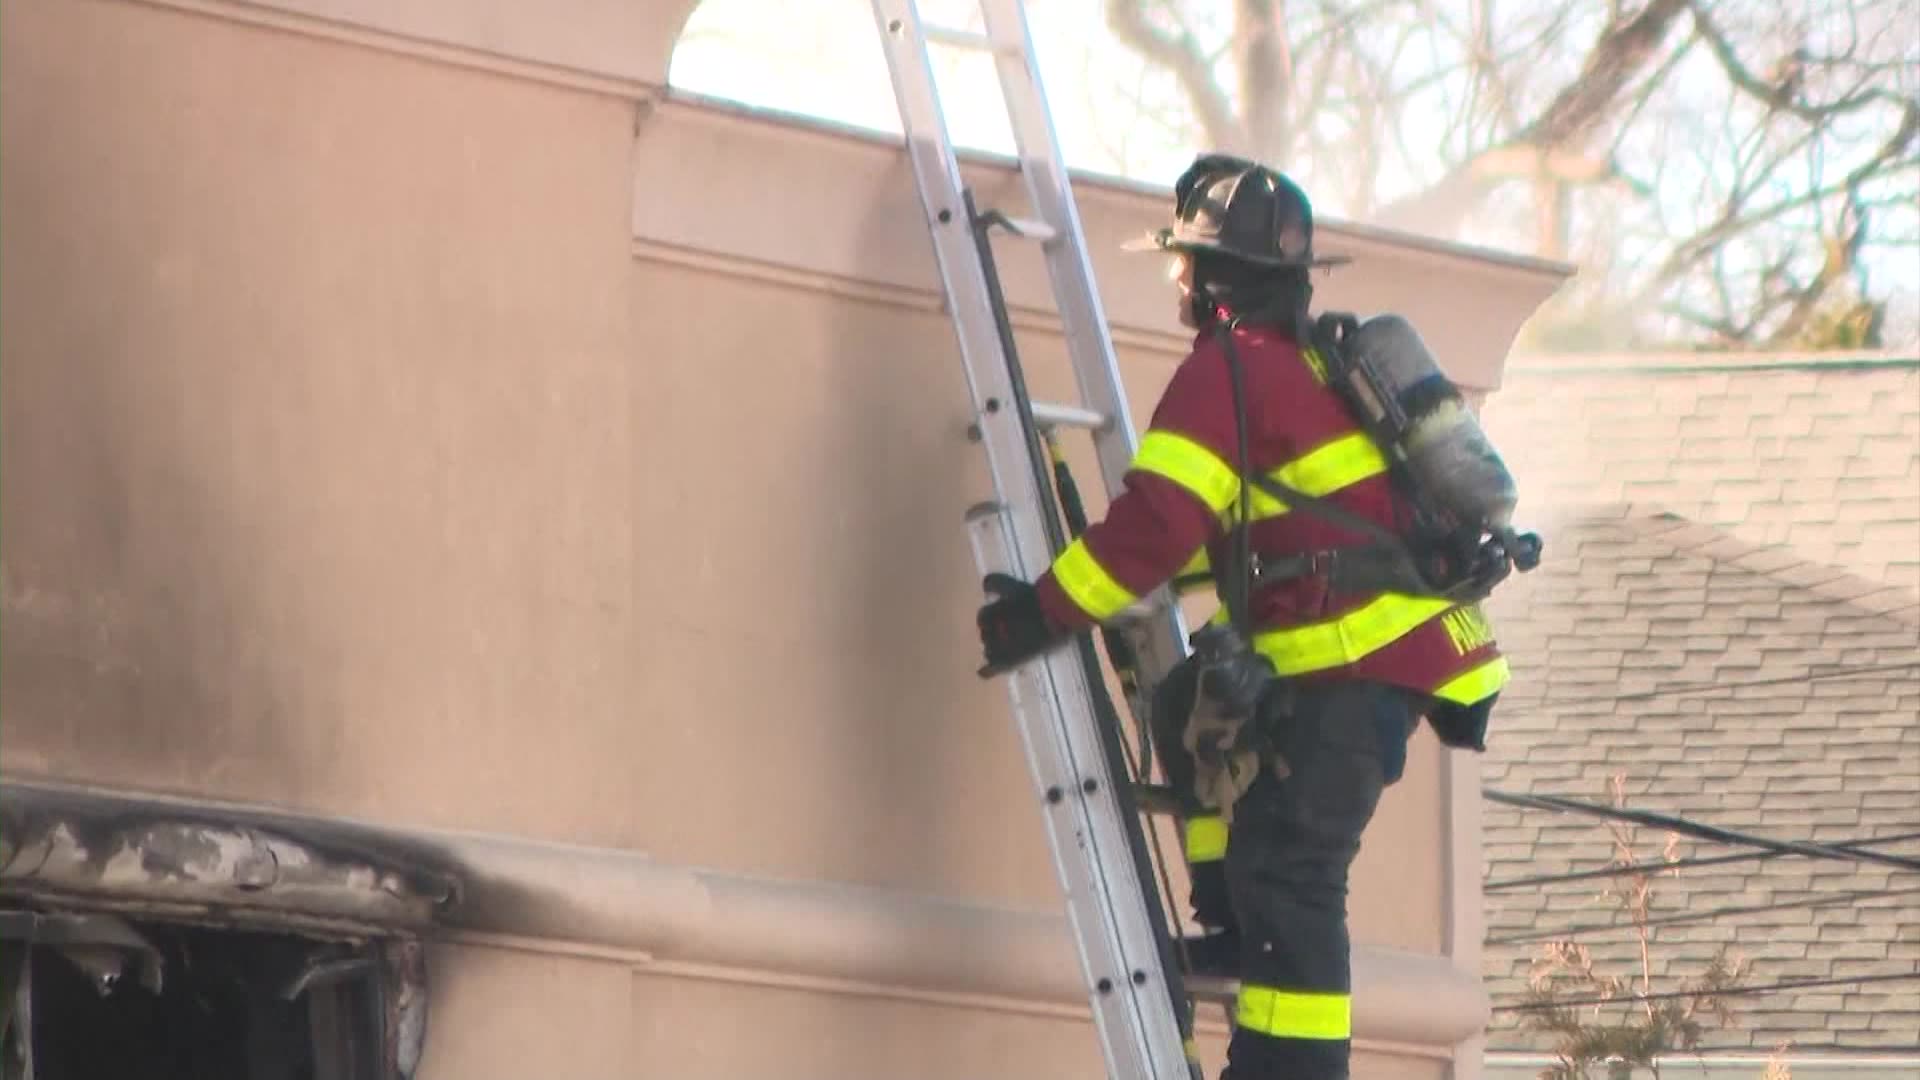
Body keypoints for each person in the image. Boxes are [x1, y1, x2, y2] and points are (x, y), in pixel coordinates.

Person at [973, 153, 1512, 1080]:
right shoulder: (1311, 366)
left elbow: (1155, 525)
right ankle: (1227, 922)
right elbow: (1224, 533)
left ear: (1213, 278)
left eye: (1182, 265)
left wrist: (1043, 610)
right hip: (1393, 660)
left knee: (1295, 882)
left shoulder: (1230, 374)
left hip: (1350, 670)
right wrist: (1102, 583)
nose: (1176, 282)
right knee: (1190, 706)